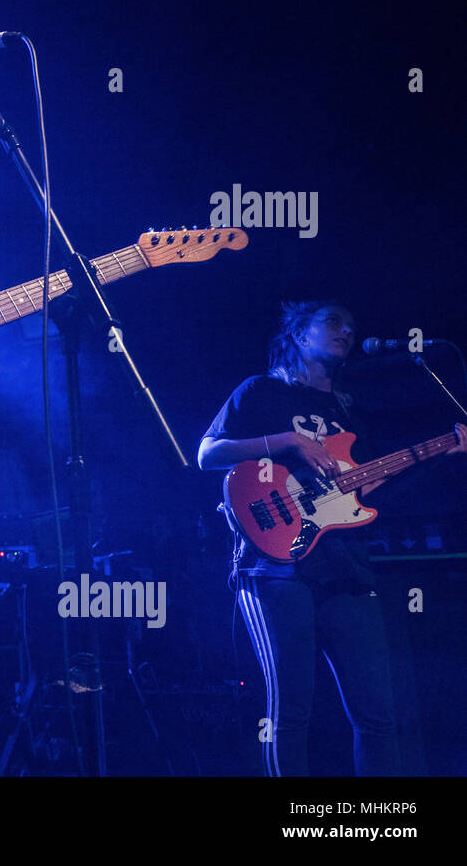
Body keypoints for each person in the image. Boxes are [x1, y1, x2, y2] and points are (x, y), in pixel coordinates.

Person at [197, 300, 466, 775]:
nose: (346, 331)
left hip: (346, 566)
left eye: (351, 326)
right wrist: (287, 440)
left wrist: (440, 452)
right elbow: (207, 454)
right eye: (333, 322)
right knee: (292, 712)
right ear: (300, 335)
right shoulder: (259, 391)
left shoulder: (347, 409)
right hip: (278, 565)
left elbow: (368, 487)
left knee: (378, 714)